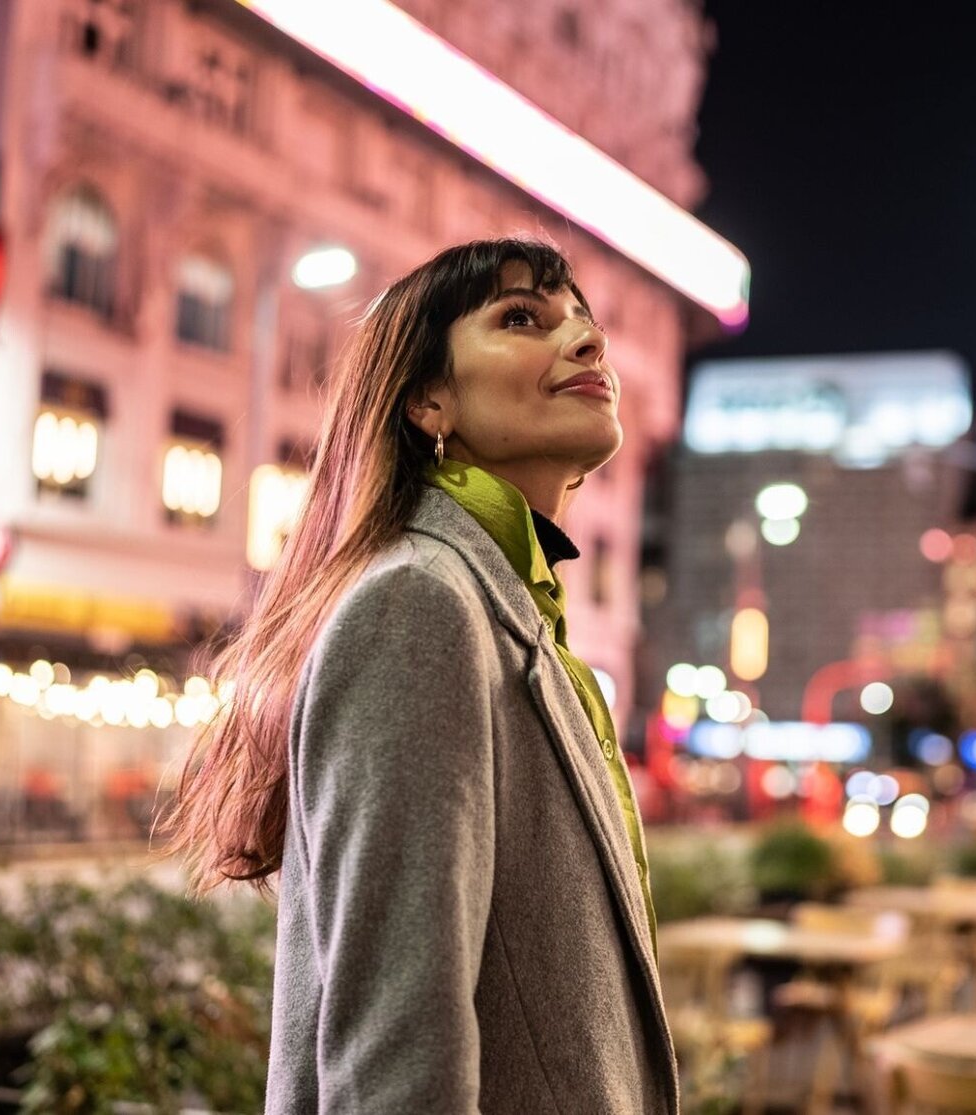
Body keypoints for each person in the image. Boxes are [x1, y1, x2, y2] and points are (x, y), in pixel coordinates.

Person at [163, 240, 676, 1113]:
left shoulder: (510, 613)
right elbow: (393, 1054)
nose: (589, 343)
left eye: (584, 323)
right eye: (523, 318)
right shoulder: (418, 605)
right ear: (427, 400)